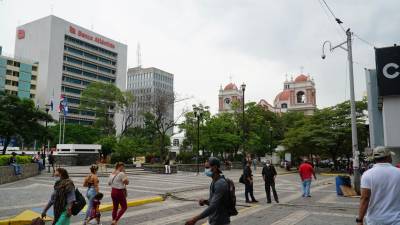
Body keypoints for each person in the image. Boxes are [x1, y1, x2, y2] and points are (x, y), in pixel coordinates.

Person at [357, 146, 400, 225]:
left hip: (375, 220)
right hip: (396, 220)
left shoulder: (367, 175)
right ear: (389, 157)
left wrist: (359, 220)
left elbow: (364, 198)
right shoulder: (398, 172)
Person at [185, 157, 231, 225]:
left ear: (215, 167)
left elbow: (213, 206)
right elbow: (215, 202)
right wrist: (205, 201)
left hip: (220, 221)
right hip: (214, 220)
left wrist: (195, 219)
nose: (206, 170)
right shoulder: (214, 181)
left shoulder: (220, 183)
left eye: (207, 167)